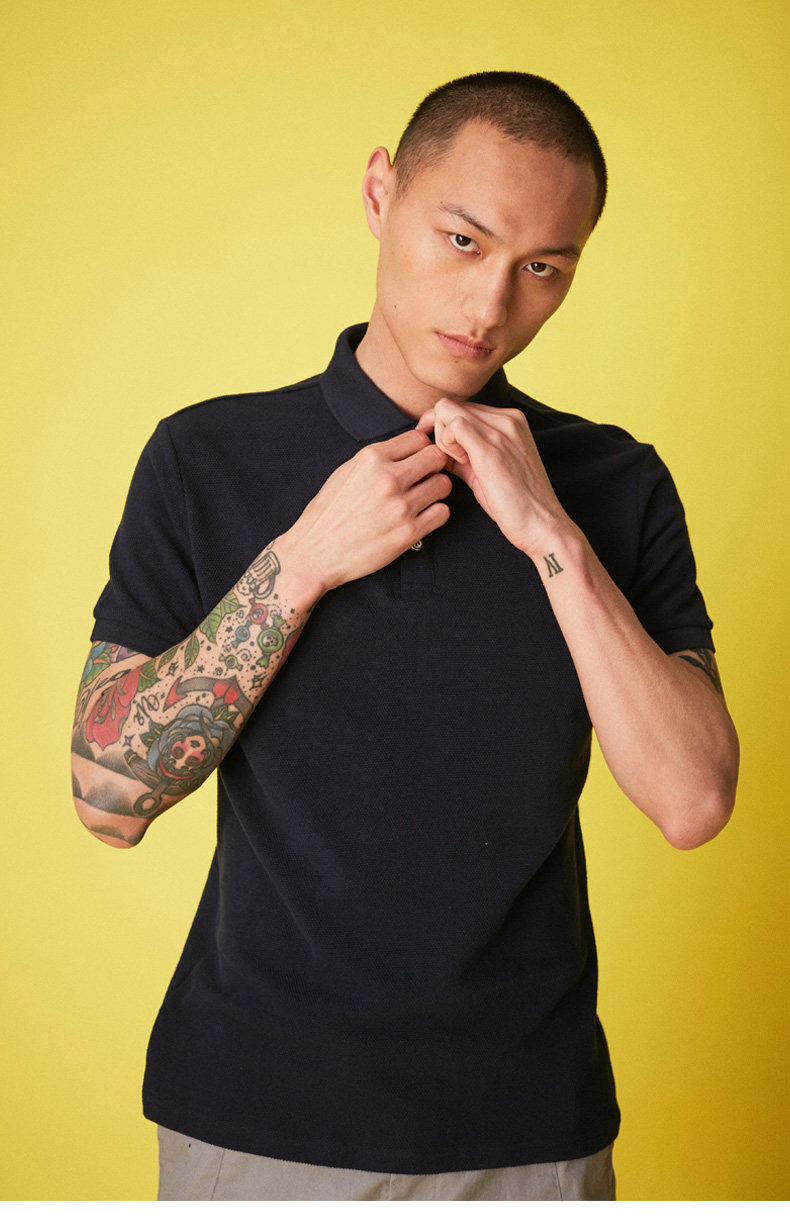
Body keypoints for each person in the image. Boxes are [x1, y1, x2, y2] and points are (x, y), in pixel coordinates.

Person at [71, 71, 740, 1201]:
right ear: (382, 192)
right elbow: (107, 798)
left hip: (529, 1132)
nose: (489, 305)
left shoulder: (613, 484)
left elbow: (693, 802)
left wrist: (551, 534)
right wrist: (300, 563)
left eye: (544, 268)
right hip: (254, 1121)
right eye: (462, 240)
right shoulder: (204, 457)